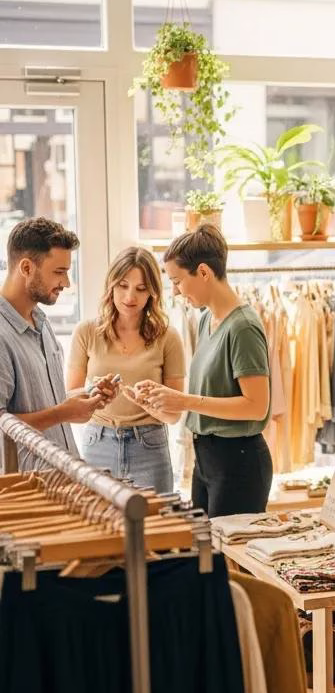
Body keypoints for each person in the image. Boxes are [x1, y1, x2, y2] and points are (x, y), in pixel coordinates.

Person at [133, 225, 271, 518]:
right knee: (203, 545)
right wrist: (162, 398)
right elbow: (211, 391)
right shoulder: (208, 318)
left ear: (204, 272)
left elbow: (257, 406)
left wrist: (183, 401)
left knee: (225, 547)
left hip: (238, 463)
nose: (175, 291)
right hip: (207, 459)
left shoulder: (243, 327)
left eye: (177, 281)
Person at [66, 246, 185, 494]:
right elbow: (70, 403)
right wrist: (95, 393)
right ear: (111, 285)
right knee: (98, 518)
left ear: (152, 292)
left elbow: (173, 415)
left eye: (141, 288)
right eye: (122, 285)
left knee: (155, 519)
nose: (130, 296)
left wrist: (147, 402)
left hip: (150, 446)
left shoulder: (168, 337)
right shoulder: (86, 332)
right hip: (98, 443)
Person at [0, 217, 116, 468]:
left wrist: (87, 397)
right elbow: (1, 428)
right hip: (27, 485)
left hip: (64, 475)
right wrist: (63, 413)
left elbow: (45, 402)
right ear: (26, 268)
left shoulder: (41, 322)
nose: (66, 283)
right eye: (59, 272)